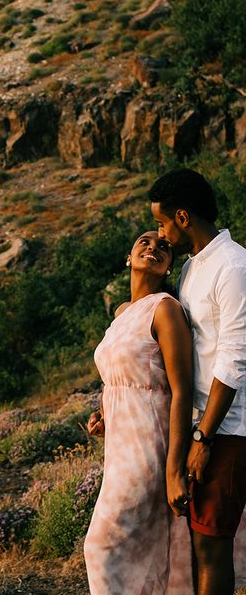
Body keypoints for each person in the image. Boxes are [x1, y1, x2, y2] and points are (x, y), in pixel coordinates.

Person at [150, 168, 246, 595]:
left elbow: (235, 359)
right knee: (200, 542)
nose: (161, 231)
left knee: (212, 547)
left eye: (162, 222)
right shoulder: (193, 267)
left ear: (183, 218)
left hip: (228, 428)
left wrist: (203, 437)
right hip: (204, 425)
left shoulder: (234, 265)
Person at [84, 230, 194, 594]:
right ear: (129, 259)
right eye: (144, 242)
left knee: (100, 546)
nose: (153, 247)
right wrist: (104, 412)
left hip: (150, 444)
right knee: (139, 550)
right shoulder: (120, 314)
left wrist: (174, 467)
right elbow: (120, 376)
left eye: (163, 247)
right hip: (118, 446)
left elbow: (181, 389)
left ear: (167, 268)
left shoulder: (165, 309)